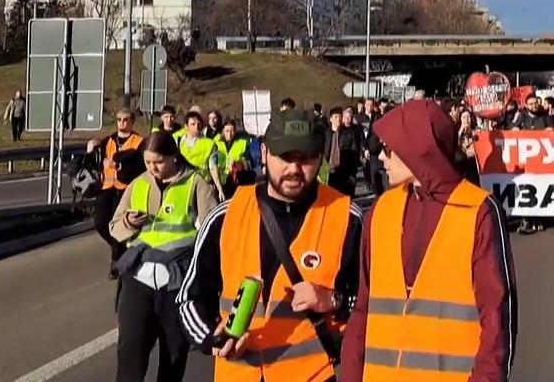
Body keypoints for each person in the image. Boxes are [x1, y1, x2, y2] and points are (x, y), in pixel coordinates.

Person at [177, 108, 364, 381]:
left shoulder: (348, 218)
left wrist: (334, 300)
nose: (294, 169)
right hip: (239, 374)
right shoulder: (225, 216)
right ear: (264, 153)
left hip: (312, 375)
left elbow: (373, 303)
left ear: (320, 158)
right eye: (285, 157)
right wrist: (212, 339)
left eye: (306, 159)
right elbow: (189, 299)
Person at [339, 100, 516, 380]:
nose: (381, 159)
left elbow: (497, 321)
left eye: (387, 149)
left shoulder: (478, 210)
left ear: (417, 151)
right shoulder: (381, 210)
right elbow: (363, 309)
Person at [110, 132, 218, 382]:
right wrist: (128, 221)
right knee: (130, 350)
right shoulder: (138, 184)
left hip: (177, 284)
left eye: (157, 161)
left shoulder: (195, 184)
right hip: (139, 279)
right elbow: (114, 226)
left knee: (174, 354)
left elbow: (213, 231)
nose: (152, 168)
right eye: (147, 162)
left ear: (173, 157)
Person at [88, 110, 146, 279]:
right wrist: (90, 150)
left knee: (117, 225)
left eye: (126, 119)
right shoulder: (109, 141)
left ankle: (116, 263)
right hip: (107, 187)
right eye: (119, 119)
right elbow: (95, 164)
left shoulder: (138, 141)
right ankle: (121, 247)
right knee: (100, 223)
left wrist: (119, 166)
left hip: (125, 189)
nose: (122, 123)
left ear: (132, 121)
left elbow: (140, 165)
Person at [177, 111, 226, 202]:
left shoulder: (209, 144)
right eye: (193, 124)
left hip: (203, 184)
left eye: (198, 124)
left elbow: (213, 167)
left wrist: (219, 188)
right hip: (183, 184)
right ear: (186, 126)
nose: (197, 126)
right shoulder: (179, 141)